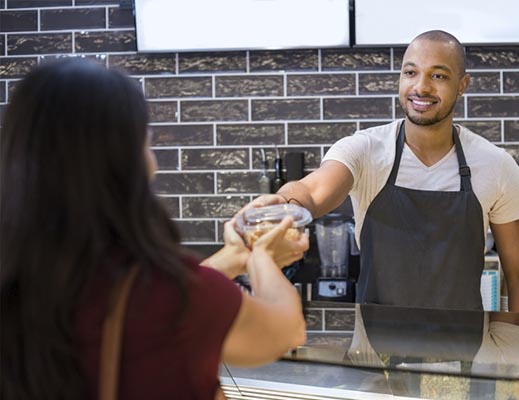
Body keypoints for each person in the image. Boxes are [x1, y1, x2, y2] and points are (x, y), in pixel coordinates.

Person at [0, 58, 308, 400]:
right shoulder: (173, 298)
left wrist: (236, 255)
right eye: (146, 143)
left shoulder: (23, 279)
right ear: (123, 162)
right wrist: (261, 257)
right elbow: (283, 330)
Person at [245, 30, 519, 313]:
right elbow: (312, 190)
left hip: (462, 357)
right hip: (373, 357)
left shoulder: (496, 166)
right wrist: (283, 206)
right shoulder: (366, 150)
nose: (421, 87)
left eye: (438, 76)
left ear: (462, 85)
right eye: (411, 73)